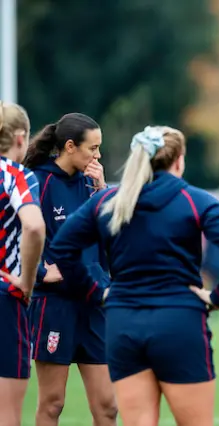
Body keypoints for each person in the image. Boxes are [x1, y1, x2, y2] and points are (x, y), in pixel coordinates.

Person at [43, 126, 219, 425]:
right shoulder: (192, 199)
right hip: (179, 323)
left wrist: (95, 292)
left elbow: (63, 247)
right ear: (178, 161)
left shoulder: (110, 200)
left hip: (124, 324)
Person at [22, 113, 115, 426]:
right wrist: (38, 273)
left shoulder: (94, 185)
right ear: (70, 146)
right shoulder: (37, 181)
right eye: (93, 148)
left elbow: (113, 236)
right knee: (53, 404)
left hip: (95, 304)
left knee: (108, 406)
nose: (98, 155)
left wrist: (103, 189)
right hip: (55, 305)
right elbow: (16, 232)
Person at [0, 101, 46, 426]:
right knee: (8, 414)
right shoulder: (16, 175)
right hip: (5, 298)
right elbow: (33, 225)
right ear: (20, 138)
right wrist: (27, 280)